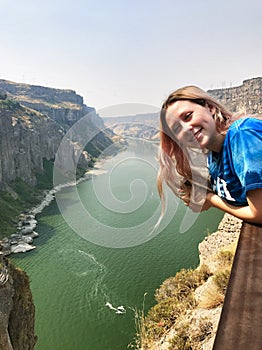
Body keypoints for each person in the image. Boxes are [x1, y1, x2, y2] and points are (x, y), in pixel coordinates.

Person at [157, 85, 262, 224]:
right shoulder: (213, 157)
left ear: (210, 108)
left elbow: (259, 213)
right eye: (176, 128)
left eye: (188, 116)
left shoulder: (242, 134)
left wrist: (210, 200)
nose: (186, 128)